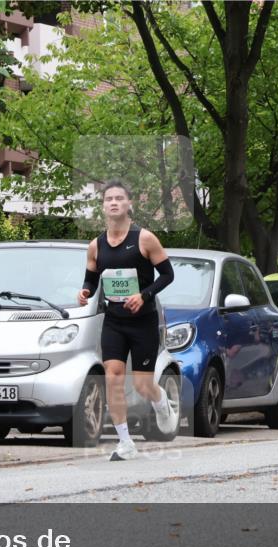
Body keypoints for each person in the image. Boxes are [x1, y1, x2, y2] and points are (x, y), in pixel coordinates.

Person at [77, 180, 175, 461]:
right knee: (113, 377)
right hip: (114, 322)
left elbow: (168, 275)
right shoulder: (95, 245)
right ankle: (125, 442)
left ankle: (160, 402)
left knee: (143, 385)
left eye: (120, 198)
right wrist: (85, 291)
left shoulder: (145, 238)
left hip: (143, 321)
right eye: (109, 199)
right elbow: (91, 279)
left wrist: (144, 296)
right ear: (103, 206)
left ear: (129, 204)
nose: (114, 202)